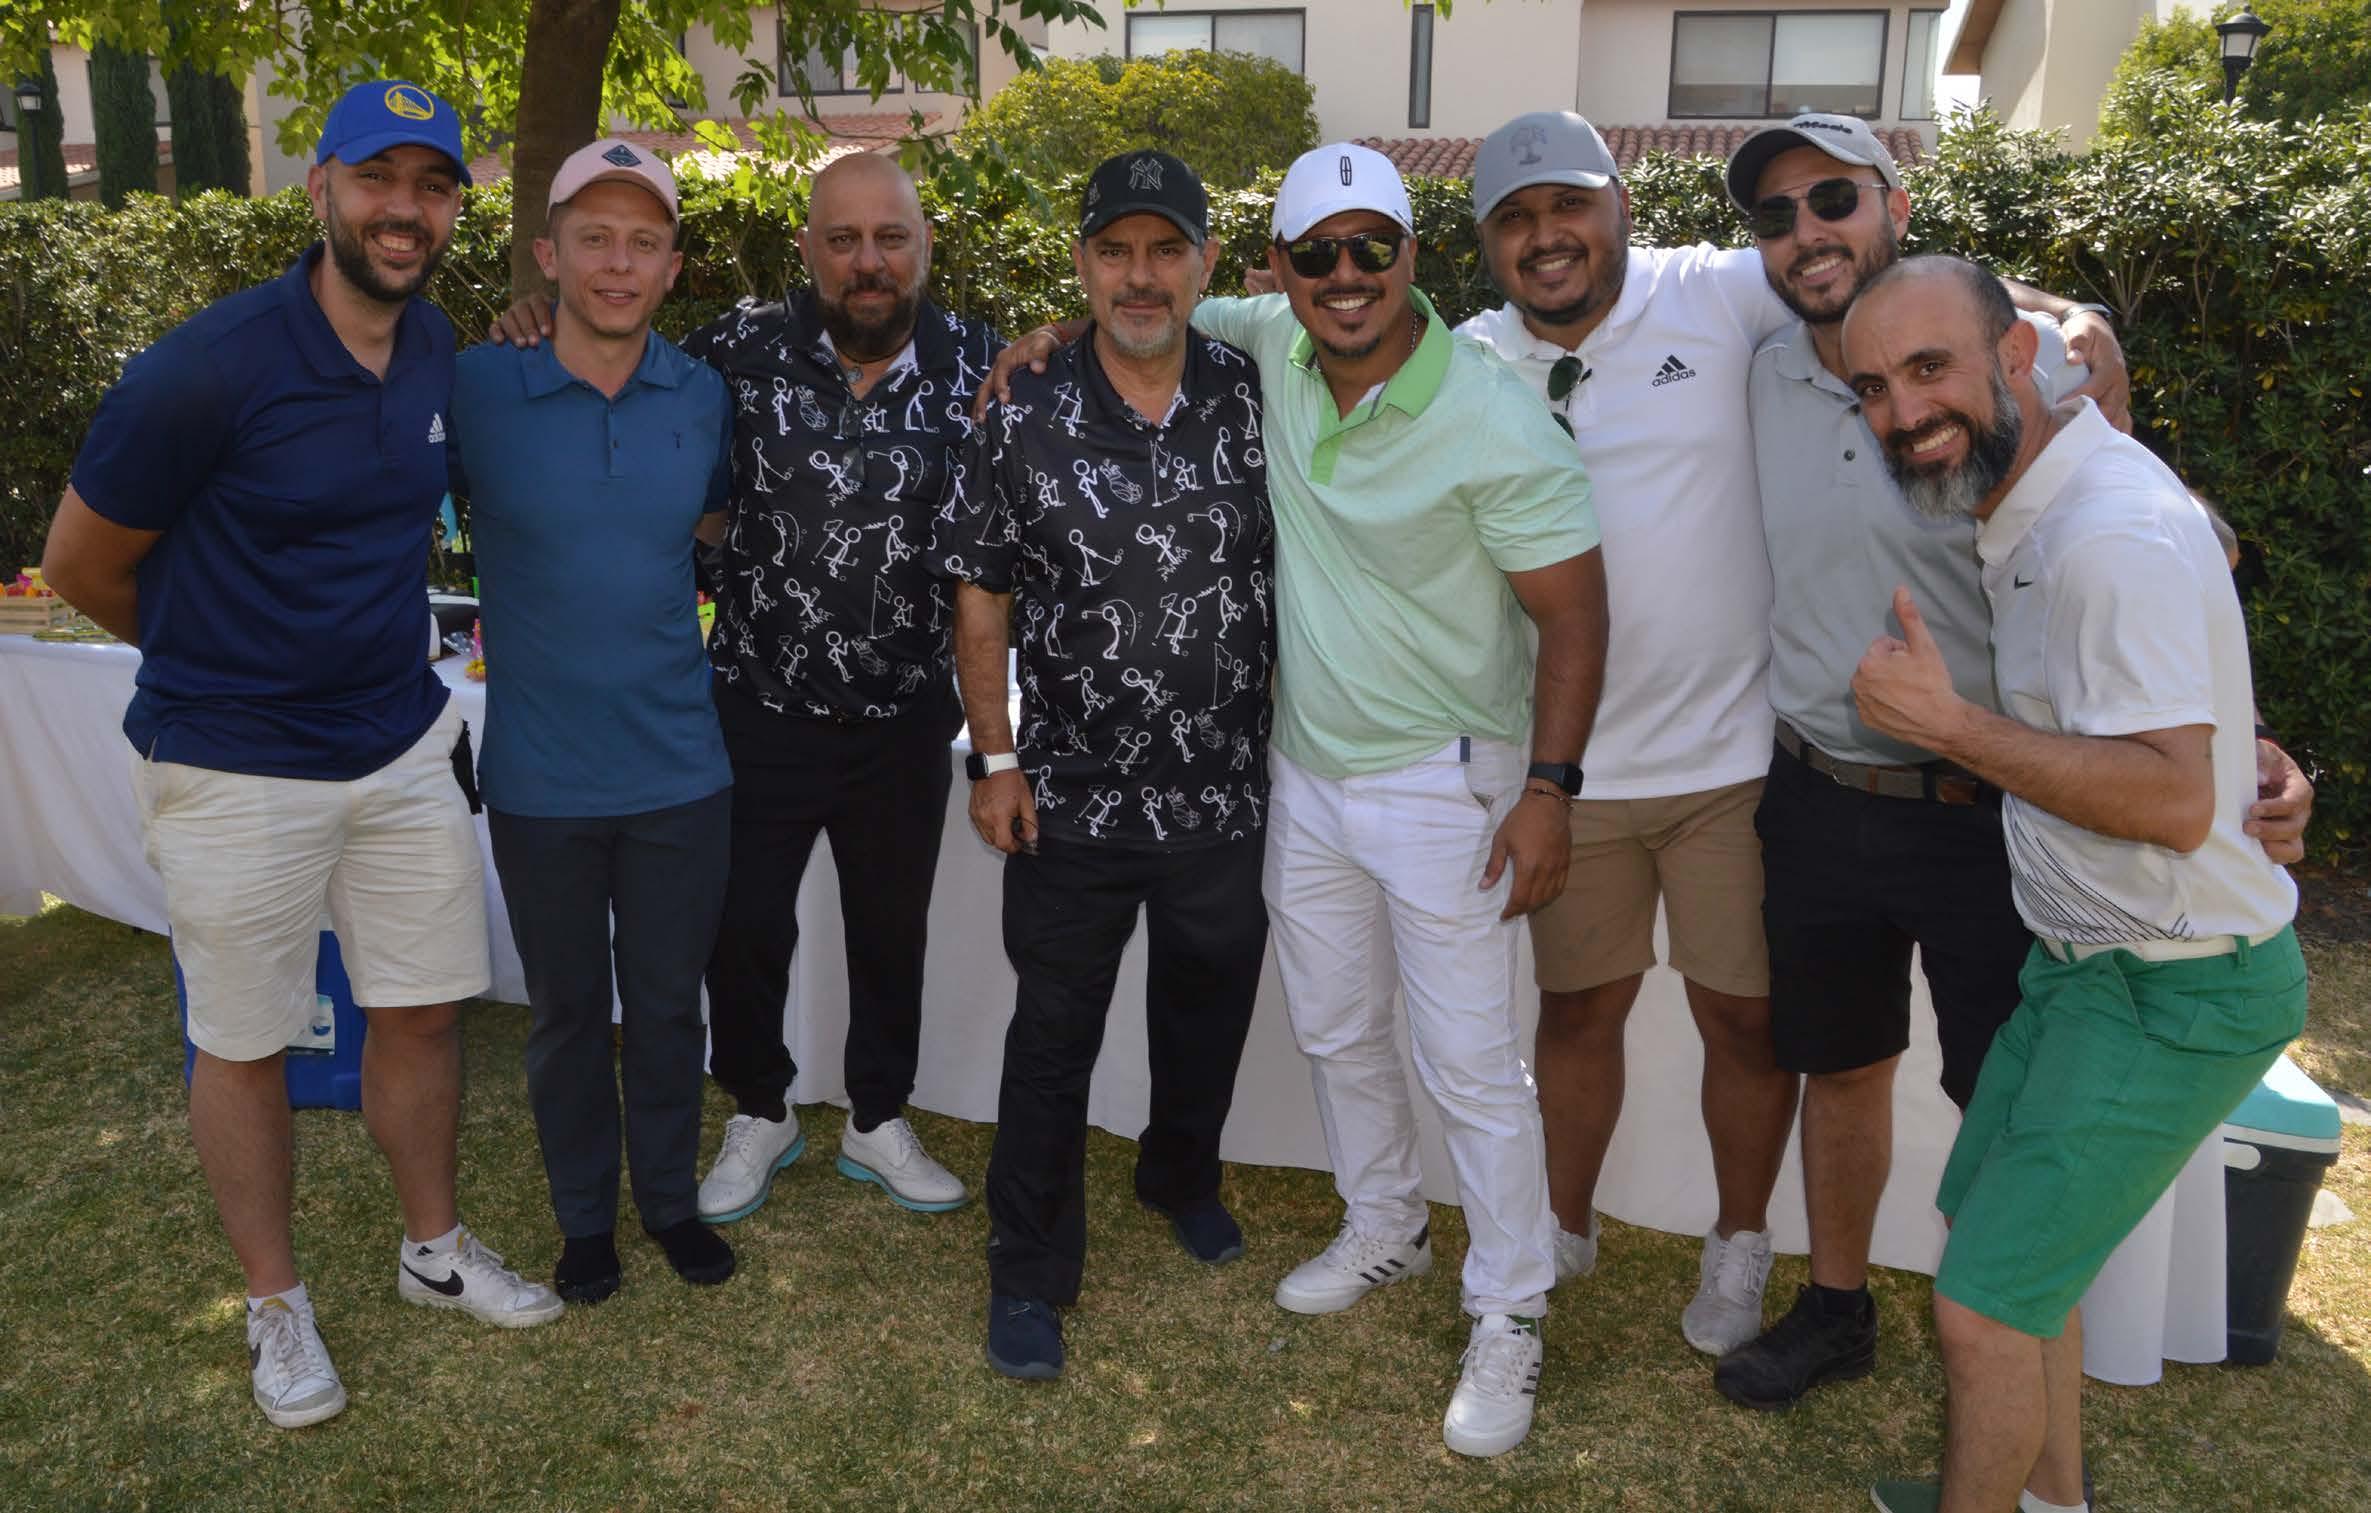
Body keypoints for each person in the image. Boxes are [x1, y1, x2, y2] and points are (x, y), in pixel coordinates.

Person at [1716, 113, 2313, 1413]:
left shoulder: (2017, 371)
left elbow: (2173, 558)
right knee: (1839, 1063)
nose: (1805, 233)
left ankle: (2007, 1335)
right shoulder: (1756, 362)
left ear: (1895, 204)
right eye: (1773, 214)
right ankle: (1835, 1308)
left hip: (1990, 805)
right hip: (1815, 789)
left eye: (1832, 199)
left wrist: (2251, 742)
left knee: (2008, 1089)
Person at [41, 80, 559, 1432]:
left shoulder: (434, 344)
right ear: (319, 187)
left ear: (454, 208)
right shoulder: (206, 366)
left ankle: (432, 1250)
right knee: (245, 1039)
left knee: (423, 1006)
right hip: (232, 760)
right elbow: (79, 563)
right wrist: (225, 659)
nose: (404, 210)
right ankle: (275, 1304)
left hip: (397, 737)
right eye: (377, 178)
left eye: (432, 186)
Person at [1841, 254, 2307, 1513]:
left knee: (1985, 1306)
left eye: (1927, 369)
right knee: (1996, 1250)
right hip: (2089, 964)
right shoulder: (2048, 490)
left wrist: (1947, 725)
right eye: (1872, 387)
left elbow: (2169, 800)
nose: (1901, 411)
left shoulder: (2106, 532)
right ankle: (2049, 1500)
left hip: (2176, 985)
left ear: (2010, 359)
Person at [499, 154, 1004, 1219]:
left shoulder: (982, 362)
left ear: (924, 245)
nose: (868, 261)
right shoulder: (735, 348)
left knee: (890, 931)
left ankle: (877, 1116)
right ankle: (760, 1108)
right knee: (742, 931)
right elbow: (623, 382)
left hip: (905, 718)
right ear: (808, 249)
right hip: (755, 705)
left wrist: (1058, 337)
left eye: (891, 237)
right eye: (842, 239)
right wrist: (535, 321)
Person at [1456, 109, 1801, 1353]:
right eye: (1514, 219)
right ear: (1486, 245)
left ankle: (1740, 1241)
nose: (1545, 237)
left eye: (1568, 206)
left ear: (1622, 209)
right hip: (1568, 774)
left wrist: (2069, 318)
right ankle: (1563, 1225)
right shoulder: (1469, 359)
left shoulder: (1715, 294)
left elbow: (1875, 278)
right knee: (1576, 1012)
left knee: (1744, 1020)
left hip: (1732, 767)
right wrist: (1065, 338)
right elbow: (1291, 348)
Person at [936, 149, 1276, 1382]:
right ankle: (1028, 1268)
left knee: (1206, 1007)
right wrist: (995, 756)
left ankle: (1179, 1173)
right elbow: (982, 595)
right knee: (1052, 1038)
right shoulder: (1019, 405)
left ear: (1205, 264)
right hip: (1071, 796)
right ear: (1081, 263)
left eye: (1165, 250)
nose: (1141, 276)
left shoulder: (1256, 391)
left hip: (1224, 791)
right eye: (1116, 251)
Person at [450, 140, 735, 1304]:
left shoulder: (703, 395)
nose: (619, 263)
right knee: (566, 1014)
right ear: (548, 254)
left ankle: (667, 1202)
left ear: (671, 266)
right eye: (595, 239)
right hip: (540, 779)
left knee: (667, 1006)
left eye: (643, 242)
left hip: (681, 771)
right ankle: (585, 1221)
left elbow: (713, 528)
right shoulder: (476, 387)